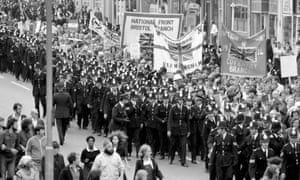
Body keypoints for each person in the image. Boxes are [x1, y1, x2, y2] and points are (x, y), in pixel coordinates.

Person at [168, 91, 190, 167]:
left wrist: (188, 130)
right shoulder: (173, 108)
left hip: (183, 129)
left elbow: (187, 120)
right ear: (177, 100)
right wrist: (169, 130)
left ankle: (183, 161)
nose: (181, 101)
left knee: (183, 145)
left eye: (182, 100)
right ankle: (171, 158)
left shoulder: (185, 108)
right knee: (173, 145)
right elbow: (170, 120)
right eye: (179, 100)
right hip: (175, 129)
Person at [53, 81, 73, 145]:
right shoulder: (67, 95)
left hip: (58, 113)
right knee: (64, 127)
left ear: (58, 88)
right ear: (63, 88)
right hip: (66, 113)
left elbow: (52, 104)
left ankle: (61, 138)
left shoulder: (55, 95)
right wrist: (71, 113)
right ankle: (63, 137)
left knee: (59, 127)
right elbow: (71, 105)